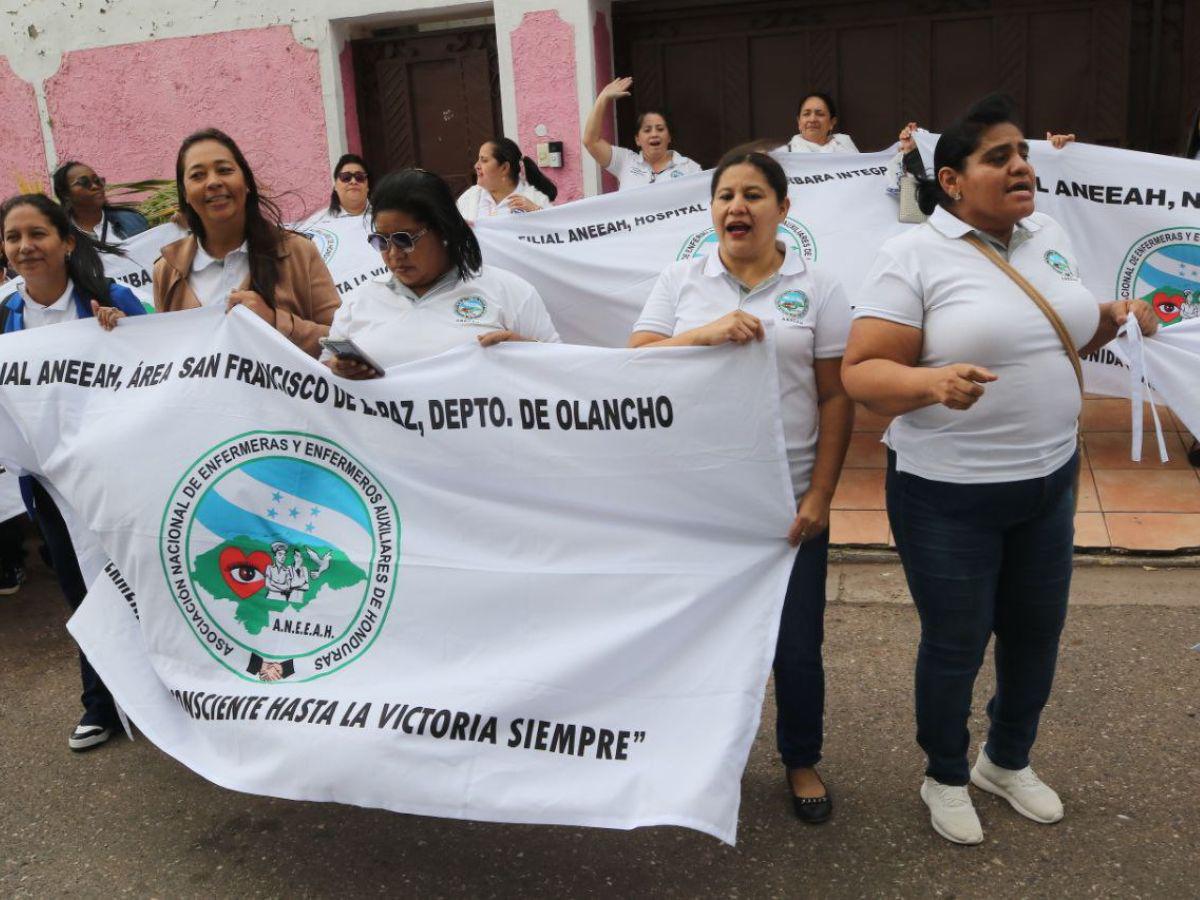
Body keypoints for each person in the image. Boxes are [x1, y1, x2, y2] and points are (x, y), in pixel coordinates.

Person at [840, 93, 1159, 846]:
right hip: (947, 495)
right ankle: (945, 773)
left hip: (1049, 482)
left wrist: (1119, 315)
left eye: (1023, 153)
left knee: (1035, 634)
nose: (1021, 166)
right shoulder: (910, 255)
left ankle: (1005, 761)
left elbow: (1055, 333)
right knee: (956, 642)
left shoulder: (1045, 234)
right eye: (998, 157)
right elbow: (860, 370)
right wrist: (927, 385)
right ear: (951, 181)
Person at [629, 149, 854, 824]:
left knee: (795, 645)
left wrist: (821, 496)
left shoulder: (820, 287)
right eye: (726, 195)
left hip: (785, 500)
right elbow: (635, 361)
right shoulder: (681, 279)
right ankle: (686, 759)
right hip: (700, 501)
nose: (738, 207)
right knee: (694, 637)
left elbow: (836, 398)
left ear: (783, 209)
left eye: (754, 195)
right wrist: (703, 334)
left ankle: (800, 757)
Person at [0, 192, 146, 750]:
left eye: (36, 234)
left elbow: (165, 365)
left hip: (119, 480)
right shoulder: (6, 315)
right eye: (14, 237)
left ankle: (170, 691)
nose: (25, 247)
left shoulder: (109, 301)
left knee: (143, 585)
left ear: (65, 241)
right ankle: (100, 703)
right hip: (51, 491)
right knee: (81, 595)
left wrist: (124, 338)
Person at [322, 169, 560, 376]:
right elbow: (320, 385)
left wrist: (529, 351)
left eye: (404, 240)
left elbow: (563, 369)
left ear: (443, 232)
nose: (393, 254)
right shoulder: (357, 302)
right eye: (381, 241)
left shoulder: (510, 292)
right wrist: (337, 370)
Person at [154, 128, 340, 357]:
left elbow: (340, 343)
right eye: (197, 175)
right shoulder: (167, 271)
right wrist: (121, 333)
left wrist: (274, 321)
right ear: (185, 194)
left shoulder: (298, 252)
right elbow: (165, 356)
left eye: (224, 170)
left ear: (247, 182)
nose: (213, 182)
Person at [582, 77, 702, 190]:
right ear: (637, 139)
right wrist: (603, 98)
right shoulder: (625, 162)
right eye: (647, 130)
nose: (654, 134)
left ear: (669, 137)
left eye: (660, 129)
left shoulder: (690, 168)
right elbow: (591, 141)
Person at [456, 138, 558, 223]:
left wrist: (537, 213)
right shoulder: (470, 197)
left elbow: (557, 232)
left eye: (484, 160)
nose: (476, 166)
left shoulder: (534, 199)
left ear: (504, 168)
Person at [52, 161, 150, 242]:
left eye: (97, 180)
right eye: (84, 182)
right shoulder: (60, 237)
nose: (95, 186)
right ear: (65, 194)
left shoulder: (132, 220)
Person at [303, 154, 372, 227]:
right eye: (346, 177)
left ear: (367, 186)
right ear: (335, 185)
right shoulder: (317, 222)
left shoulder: (382, 216)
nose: (353, 181)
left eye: (359, 177)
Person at [785, 93, 858, 154]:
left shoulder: (845, 145)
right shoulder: (784, 155)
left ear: (832, 122)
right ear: (799, 122)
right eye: (806, 114)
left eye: (820, 114)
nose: (812, 119)